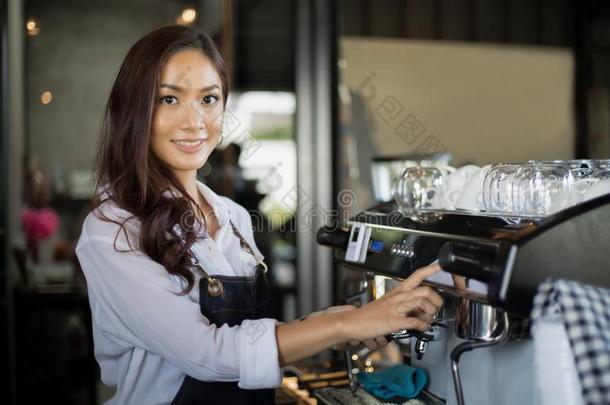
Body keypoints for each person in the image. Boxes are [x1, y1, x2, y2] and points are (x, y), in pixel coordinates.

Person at [75, 25, 443, 405]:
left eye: (209, 99)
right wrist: (343, 324)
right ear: (133, 109)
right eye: (169, 100)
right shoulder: (114, 229)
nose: (194, 121)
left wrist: (345, 322)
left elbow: (246, 338)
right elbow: (209, 354)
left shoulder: (231, 216)